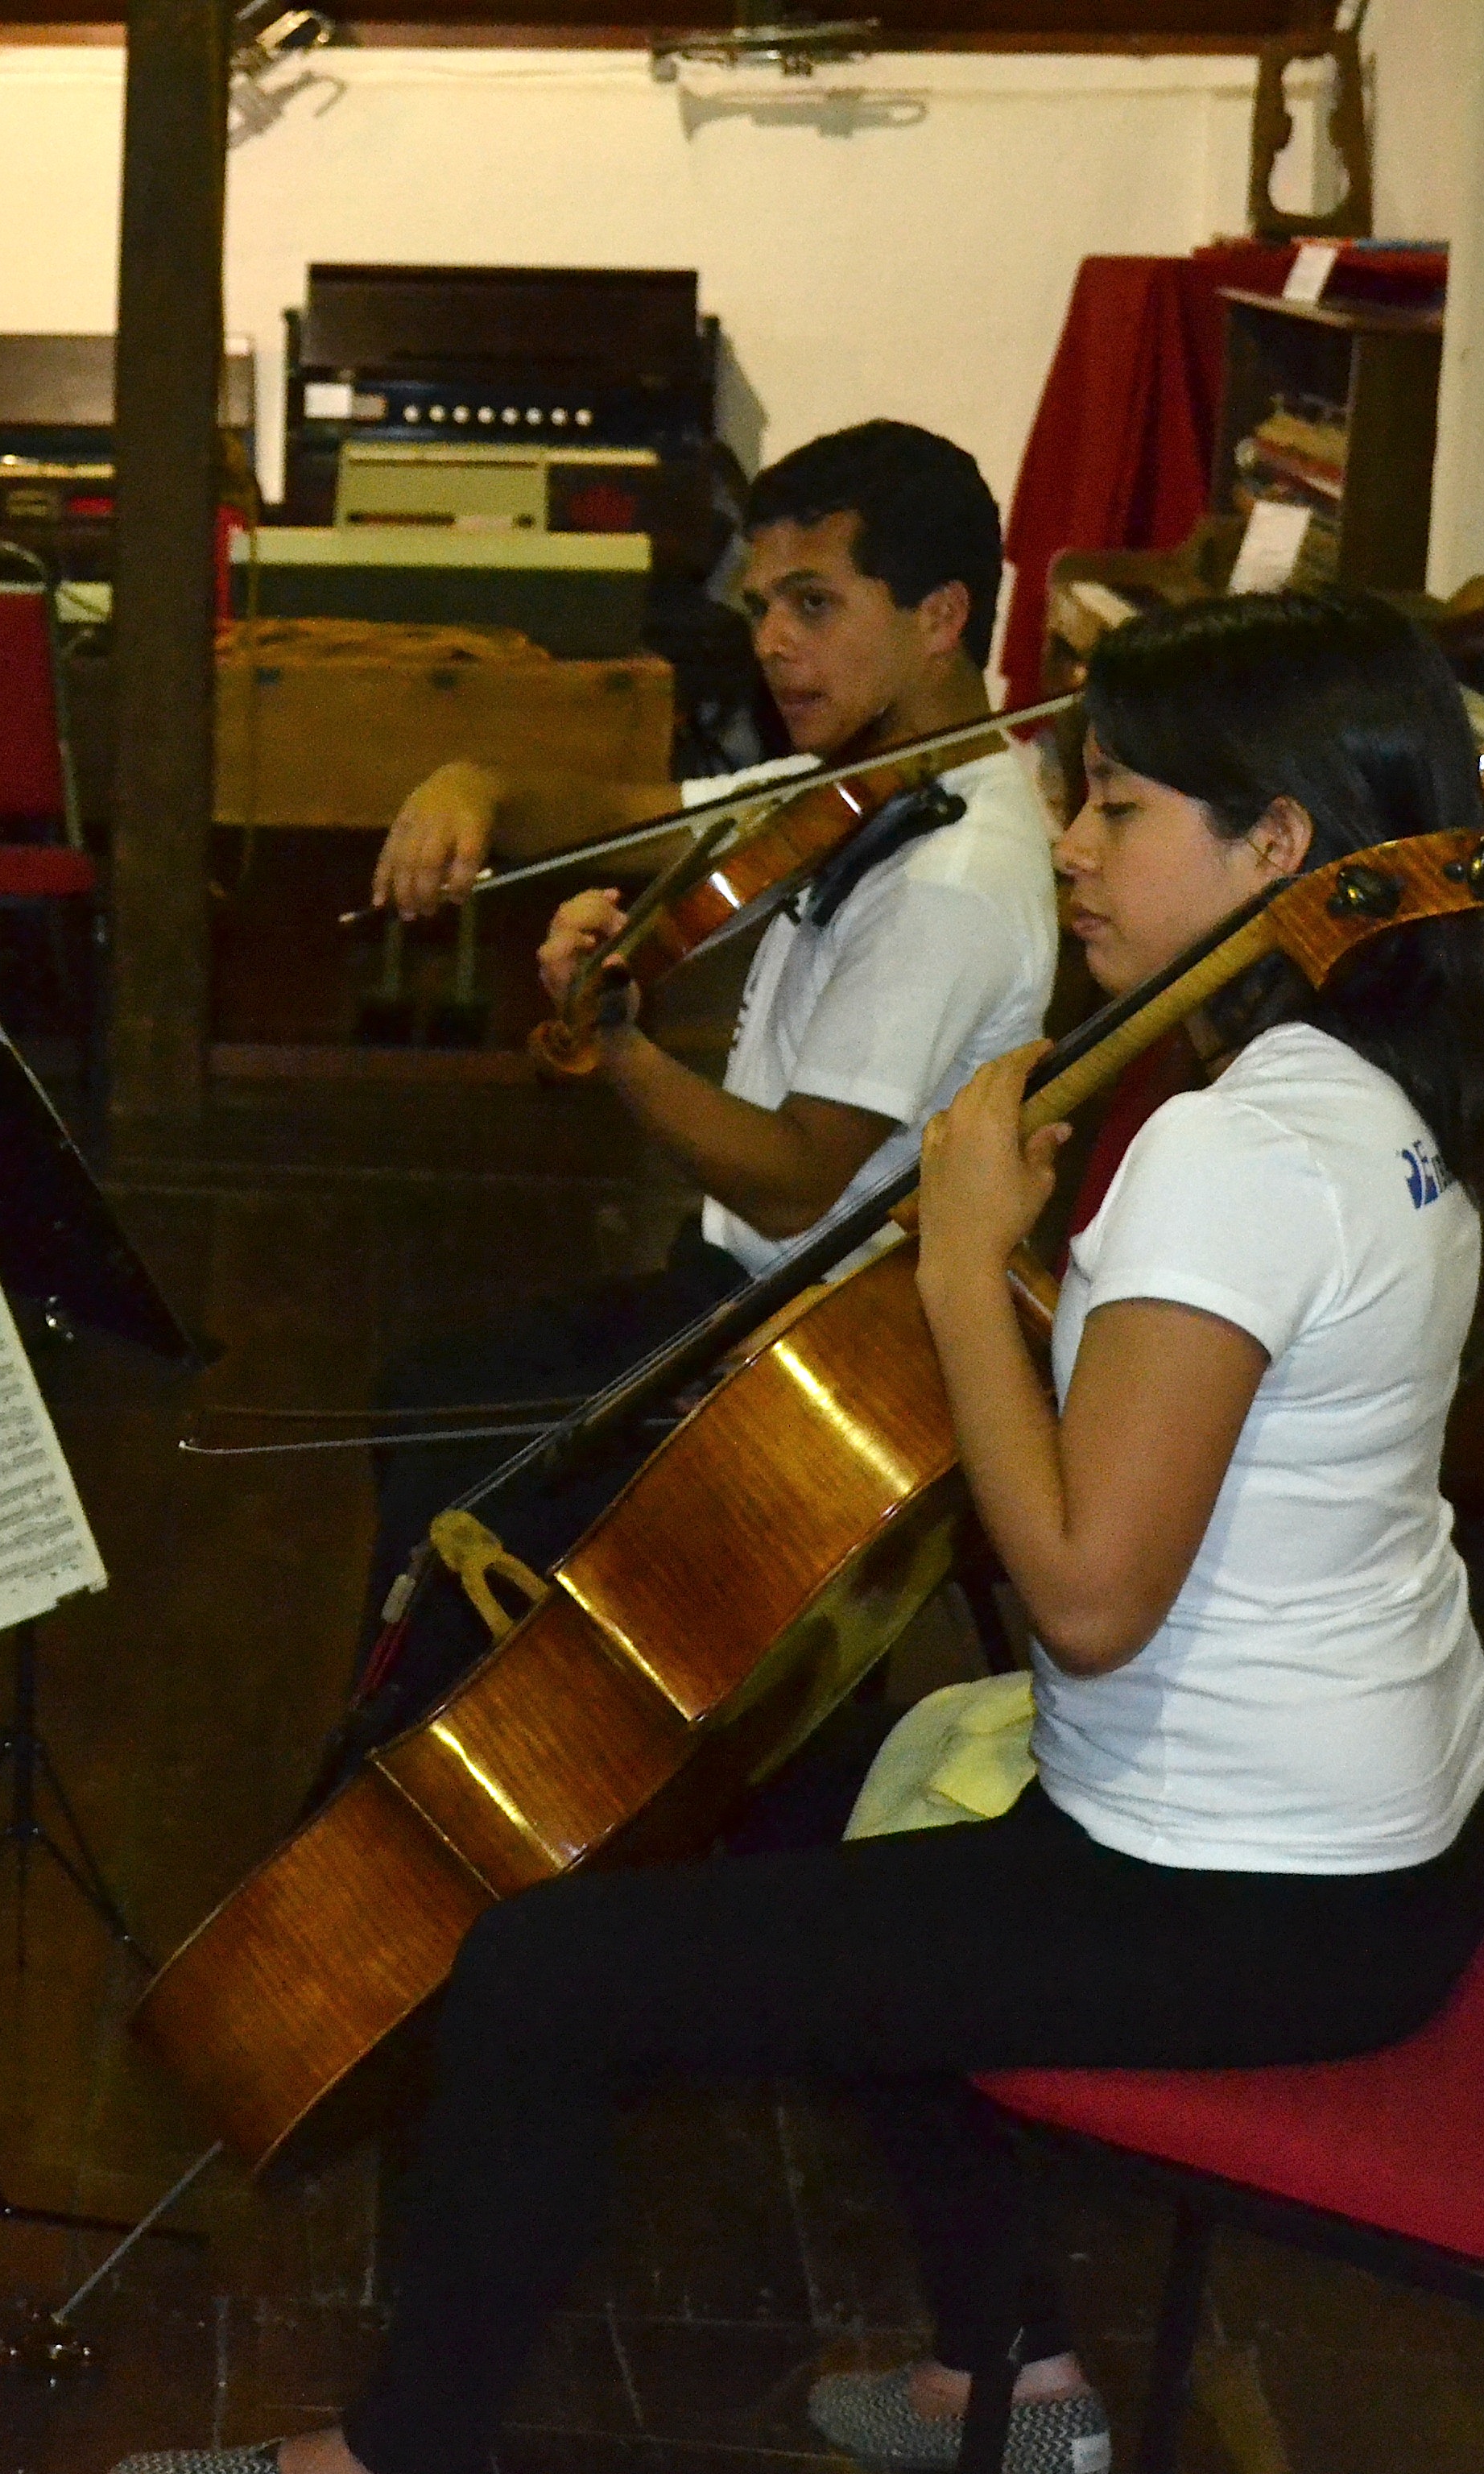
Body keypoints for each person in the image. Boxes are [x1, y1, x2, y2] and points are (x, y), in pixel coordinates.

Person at [109, 588, 1484, 2474]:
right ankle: (1011, 2386)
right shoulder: (1372, 1094)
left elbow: (1090, 1600)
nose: (1073, 850)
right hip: (1383, 1837)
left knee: (539, 1975)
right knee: (809, 1811)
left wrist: (955, 1262)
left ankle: (390, 2457)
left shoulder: (1235, 1151)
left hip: (1237, 1895)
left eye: (1121, 809)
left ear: (1282, 847)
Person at [344, 422, 1059, 1736]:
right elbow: (629, 811)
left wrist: (618, 1046)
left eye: (814, 605)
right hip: (744, 1292)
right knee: (430, 1402)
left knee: (461, 1456)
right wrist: (476, 781)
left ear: (941, 616)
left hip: (815, 1344)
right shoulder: (861, 785)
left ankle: (447, 1783)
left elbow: (794, 1183)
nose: (772, 643)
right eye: (762, 608)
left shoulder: (955, 878)